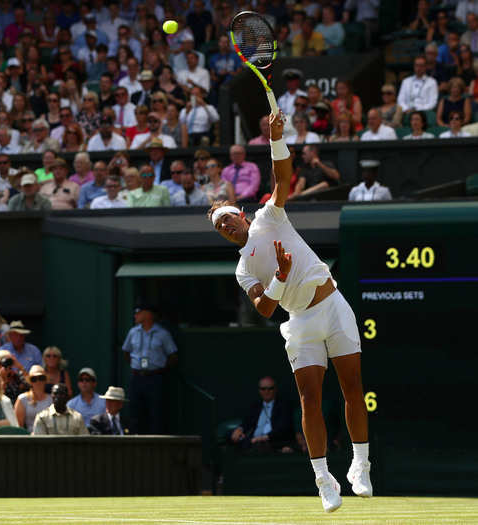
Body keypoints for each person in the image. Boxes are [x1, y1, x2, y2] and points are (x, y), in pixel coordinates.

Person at [208, 111, 371, 512]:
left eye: (228, 217)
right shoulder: (243, 269)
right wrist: (280, 276)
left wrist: (276, 139)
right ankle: (323, 479)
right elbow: (264, 308)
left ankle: (361, 465)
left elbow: (282, 179)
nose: (226, 226)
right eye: (220, 227)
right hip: (299, 324)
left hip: (333, 304)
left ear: (241, 214)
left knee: (353, 388)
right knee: (309, 400)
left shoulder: (269, 215)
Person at [122, 304, 178, 434]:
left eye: (138, 313)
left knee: (156, 412)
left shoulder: (163, 334)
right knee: (135, 411)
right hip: (137, 377)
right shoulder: (133, 332)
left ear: (148, 314)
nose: (135, 316)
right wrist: (136, 365)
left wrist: (159, 368)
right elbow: (126, 351)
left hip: (155, 378)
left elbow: (173, 355)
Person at [229, 376, 294, 452]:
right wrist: (239, 429)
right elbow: (246, 423)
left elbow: (283, 428)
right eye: (263, 389)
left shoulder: (284, 406)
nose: (267, 391)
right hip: (253, 443)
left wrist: (264, 437)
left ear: (275, 389)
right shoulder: (255, 406)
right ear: (259, 390)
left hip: (274, 443)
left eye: (270, 388)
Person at [14, 364, 52, 430]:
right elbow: (19, 426)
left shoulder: (51, 399)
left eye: (41, 378)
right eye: (34, 379)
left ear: (45, 380)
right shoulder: (22, 399)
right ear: (30, 382)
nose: (38, 382)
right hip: (29, 438)